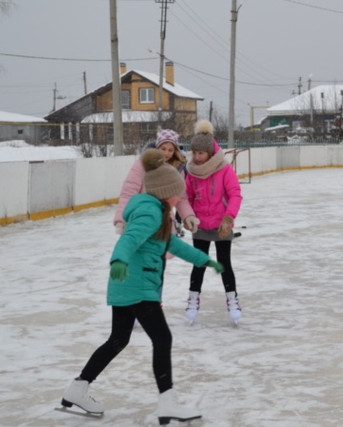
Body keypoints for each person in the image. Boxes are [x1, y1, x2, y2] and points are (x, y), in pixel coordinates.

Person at [60, 149, 224, 424]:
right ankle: (167, 404)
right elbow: (128, 239)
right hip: (137, 286)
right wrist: (119, 261)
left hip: (129, 286)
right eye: (176, 192)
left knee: (118, 340)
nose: (178, 197)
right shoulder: (150, 213)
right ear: (165, 192)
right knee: (163, 339)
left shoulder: (157, 212)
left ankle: (78, 388)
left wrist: (206, 260)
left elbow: (172, 245)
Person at [184, 120, 243, 325]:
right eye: (194, 153)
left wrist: (228, 218)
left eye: (201, 153)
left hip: (221, 225)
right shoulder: (191, 173)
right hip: (200, 225)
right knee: (198, 263)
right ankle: (192, 300)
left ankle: (232, 300)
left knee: (224, 263)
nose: (197, 157)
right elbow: (187, 198)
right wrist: (187, 217)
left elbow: (235, 194)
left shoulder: (224, 170)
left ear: (210, 153)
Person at [113, 129, 199, 237]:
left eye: (170, 150)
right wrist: (121, 219)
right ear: (157, 147)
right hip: (142, 219)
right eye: (163, 149)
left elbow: (181, 197)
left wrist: (188, 216)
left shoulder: (177, 168)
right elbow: (128, 192)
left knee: (165, 251)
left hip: (165, 223)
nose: (166, 153)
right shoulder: (142, 164)